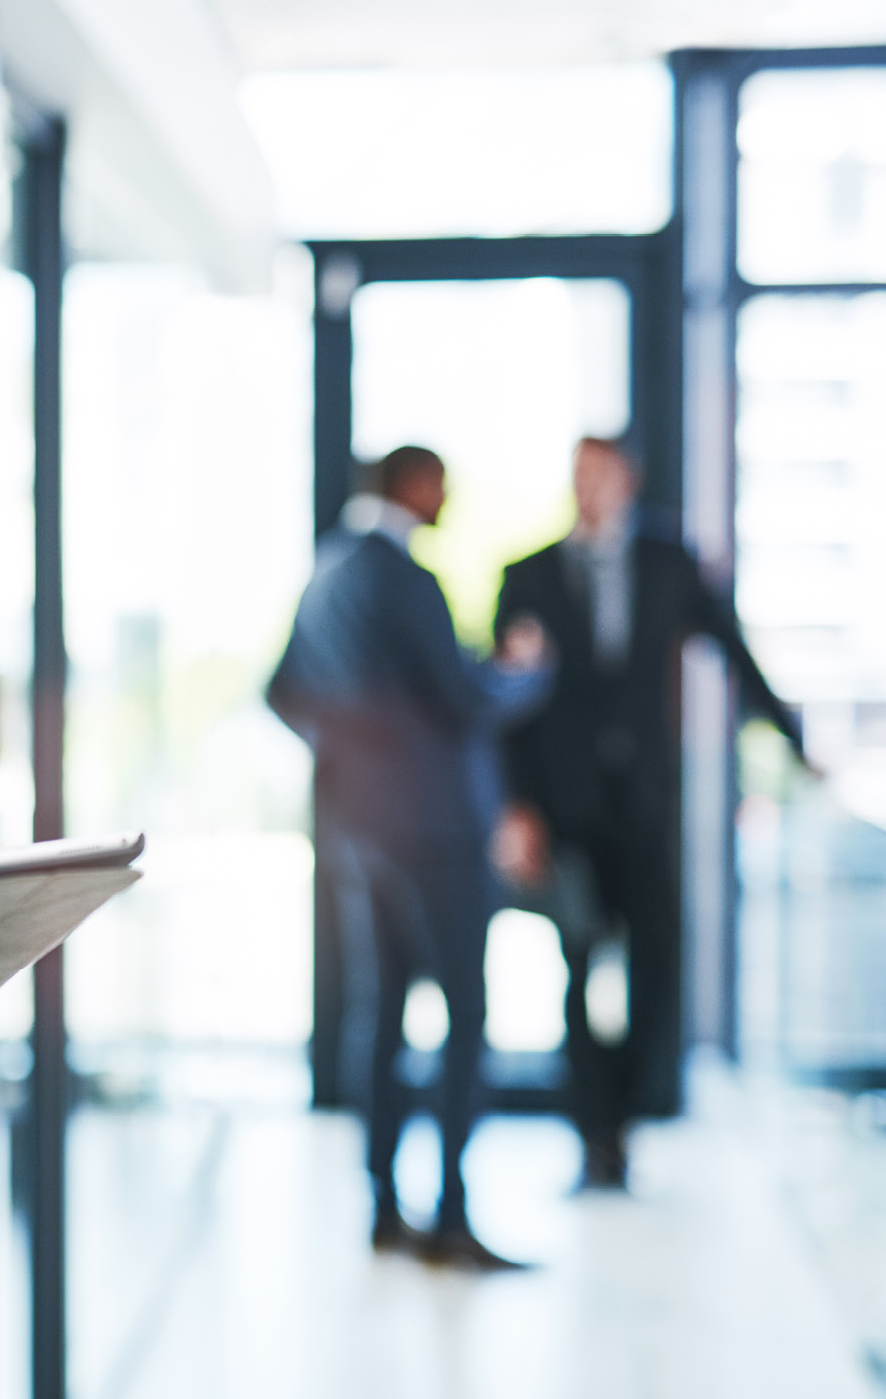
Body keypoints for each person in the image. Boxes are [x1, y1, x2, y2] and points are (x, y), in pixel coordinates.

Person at [493, 435, 805, 1190]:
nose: (586, 489)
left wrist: (794, 740)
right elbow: (503, 708)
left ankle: (630, 1108)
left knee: (658, 961)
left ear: (628, 480)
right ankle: (595, 1133)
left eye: (599, 475)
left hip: (643, 802)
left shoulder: (670, 562)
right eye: (577, 475)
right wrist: (514, 808)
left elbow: (732, 652)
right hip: (566, 807)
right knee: (575, 969)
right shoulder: (527, 575)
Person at [268, 445, 549, 1272]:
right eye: (443, 484)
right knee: (465, 1015)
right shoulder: (404, 576)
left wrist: (353, 756)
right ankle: (453, 1216)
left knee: (379, 1014)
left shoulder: (327, 570)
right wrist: (527, 674)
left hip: (357, 829)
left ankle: (384, 1207)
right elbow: (466, 700)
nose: (450, 497)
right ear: (415, 486)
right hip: (434, 829)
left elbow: (281, 692)